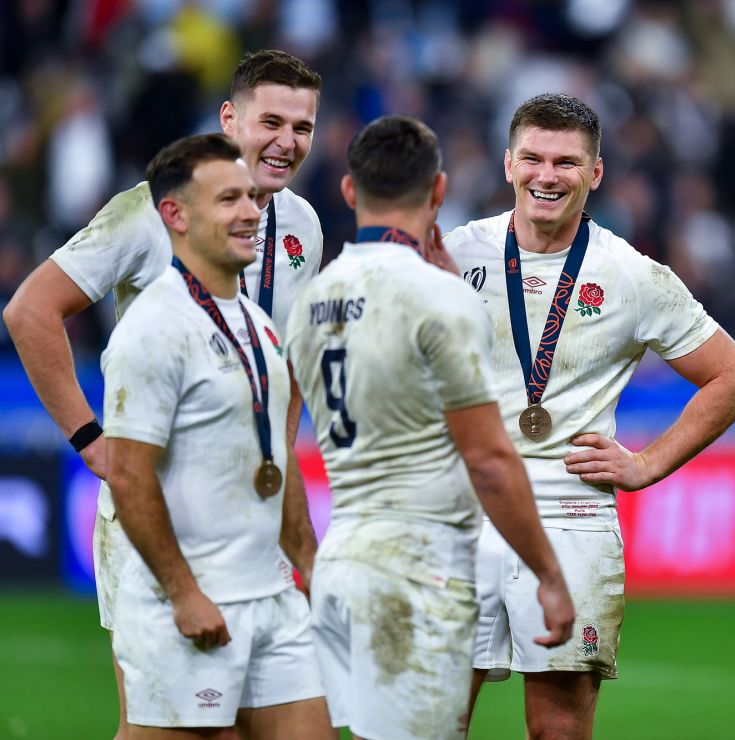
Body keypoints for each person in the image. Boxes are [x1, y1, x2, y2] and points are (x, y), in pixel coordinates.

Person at [2, 49, 322, 738]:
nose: (287, 141)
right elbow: (30, 310)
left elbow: (285, 381)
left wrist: (300, 535)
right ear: (229, 118)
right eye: (271, 121)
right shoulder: (148, 214)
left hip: (253, 527)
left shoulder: (303, 226)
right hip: (162, 521)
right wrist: (91, 439)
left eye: (303, 127)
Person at [429, 93, 735, 737]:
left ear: (596, 173)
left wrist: (648, 463)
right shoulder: (452, 255)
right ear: (507, 164)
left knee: (558, 727)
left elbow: (733, 378)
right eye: (533, 159)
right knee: (431, 719)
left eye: (566, 163)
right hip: (462, 510)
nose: (547, 176)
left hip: (570, 513)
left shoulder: (632, 275)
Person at [283, 115, 574, 740]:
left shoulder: (309, 301)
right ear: (439, 192)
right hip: (417, 566)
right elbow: (491, 461)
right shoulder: (441, 299)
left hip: (340, 562)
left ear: (349, 192)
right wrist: (549, 573)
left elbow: (288, 441)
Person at [102, 133, 331, 738]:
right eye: (228, 199)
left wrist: (312, 563)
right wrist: (182, 593)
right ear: (175, 215)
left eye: (251, 198)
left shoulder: (257, 322)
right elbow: (128, 473)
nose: (251, 212)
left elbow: (272, 456)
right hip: (189, 600)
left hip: (271, 598)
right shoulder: (154, 327)